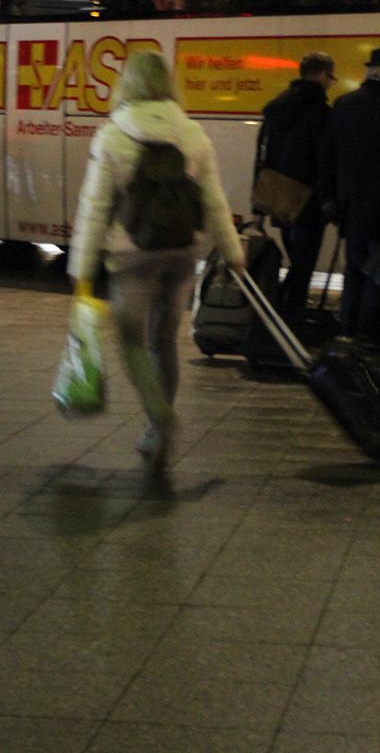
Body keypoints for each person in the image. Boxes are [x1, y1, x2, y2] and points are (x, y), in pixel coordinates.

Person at [67, 50, 243, 468]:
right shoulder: (193, 134)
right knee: (164, 342)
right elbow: (214, 202)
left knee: (130, 341)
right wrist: (233, 251)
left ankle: (161, 419)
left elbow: (95, 207)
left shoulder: (112, 135)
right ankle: (154, 430)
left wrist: (80, 269)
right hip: (183, 253)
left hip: (133, 256)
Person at [319, 44, 380, 340]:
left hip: (351, 212)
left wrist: (331, 201)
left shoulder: (344, 104)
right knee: (379, 279)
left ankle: (348, 336)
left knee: (354, 275)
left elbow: (328, 158)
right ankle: (369, 341)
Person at [256, 51, 335, 312]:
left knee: (297, 260)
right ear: (323, 75)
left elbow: (262, 153)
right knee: (304, 263)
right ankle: (291, 315)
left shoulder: (277, 107)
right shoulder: (320, 112)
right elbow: (325, 159)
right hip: (308, 200)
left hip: (279, 196)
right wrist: (328, 199)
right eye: (330, 78)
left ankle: (283, 310)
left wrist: (257, 201)